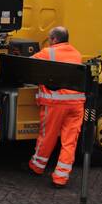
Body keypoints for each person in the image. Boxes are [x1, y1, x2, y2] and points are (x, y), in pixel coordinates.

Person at [28, 26, 86, 187]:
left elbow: (28, 66)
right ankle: (60, 178)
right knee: (69, 142)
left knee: (47, 137)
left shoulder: (48, 52)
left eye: (49, 38)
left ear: (54, 39)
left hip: (55, 103)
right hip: (76, 104)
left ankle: (37, 167)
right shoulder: (77, 54)